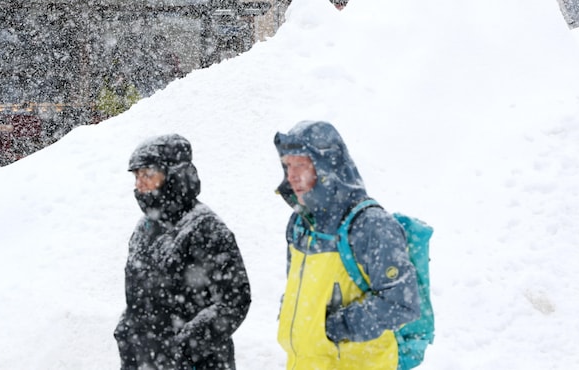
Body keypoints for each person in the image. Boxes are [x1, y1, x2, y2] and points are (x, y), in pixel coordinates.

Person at [273, 120, 419, 370]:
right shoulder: (300, 224)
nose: (292, 176)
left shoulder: (372, 226)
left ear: (326, 166)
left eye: (300, 165)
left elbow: (401, 303)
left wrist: (334, 327)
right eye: (288, 165)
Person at [115, 134, 251, 370]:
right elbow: (138, 300)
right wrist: (127, 335)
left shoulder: (205, 228)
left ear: (174, 174)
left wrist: (182, 348)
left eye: (147, 175)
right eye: (137, 177)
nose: (139, 185)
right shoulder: (144, 229)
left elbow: (234, 301)